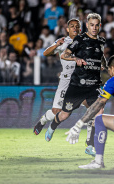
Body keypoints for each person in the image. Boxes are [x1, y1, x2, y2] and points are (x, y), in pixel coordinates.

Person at [43, 13, 107, 155]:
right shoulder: (79, 39)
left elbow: (100, 56)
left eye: (97, 25)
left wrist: (103, 64)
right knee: (64, 115)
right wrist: (76, 59)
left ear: (100, 26)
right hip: (78, 85)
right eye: (91, 25)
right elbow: (65, 55)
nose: (94, 27)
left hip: (94, 86)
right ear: (87, 25)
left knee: (98, 113)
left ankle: (90, 145)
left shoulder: (101, 42)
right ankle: (53, 125)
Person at [33, 18, 95, 155]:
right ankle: (43, 120)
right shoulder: (63, 41)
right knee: (58, 112)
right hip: (66, 81)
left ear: (80, 29)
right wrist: (56, 45)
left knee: (93, 110)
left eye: (77, 26)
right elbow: (45, 53)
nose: (74, 28)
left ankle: (90, 144)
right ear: (67, 29)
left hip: (81, 82)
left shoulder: (85, 41)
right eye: (72, 26)